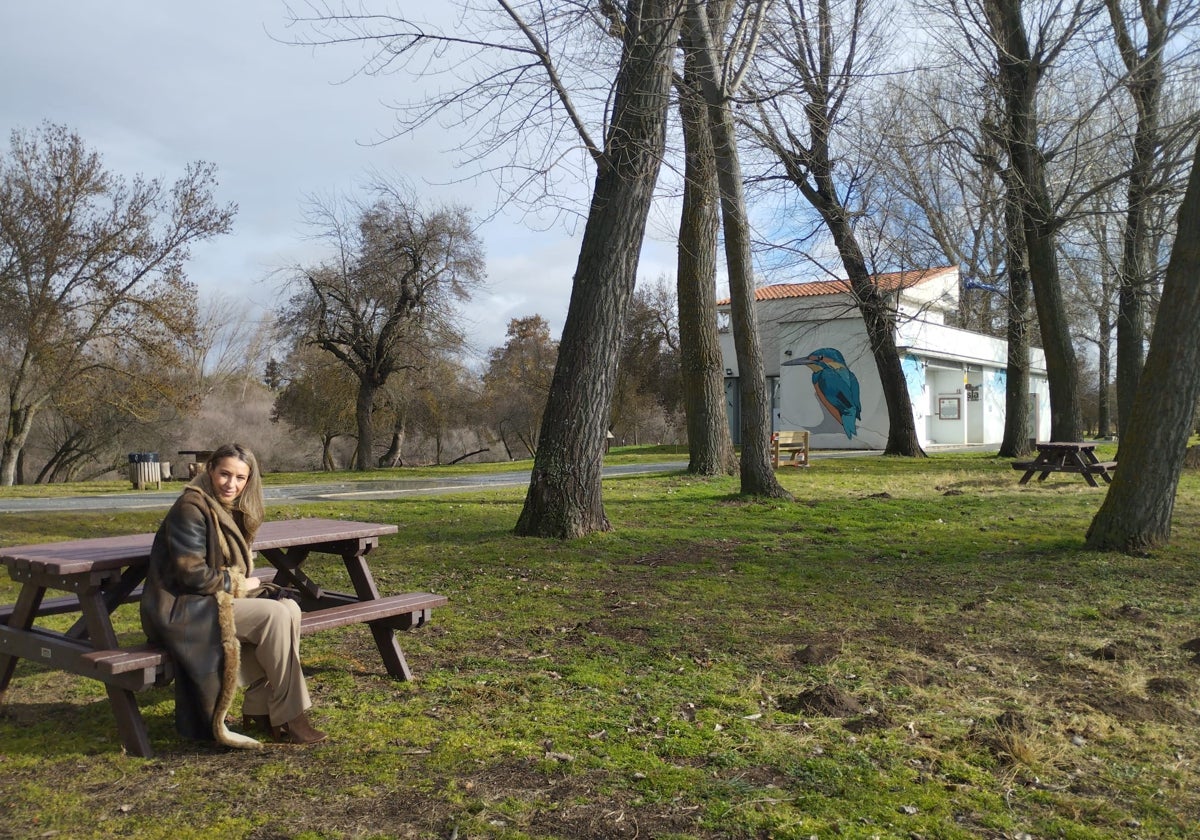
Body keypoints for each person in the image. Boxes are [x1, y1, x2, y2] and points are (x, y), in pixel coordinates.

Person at [140, 443, 327, 747]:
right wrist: (240, 584)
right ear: (210, 469)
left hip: (209, 599)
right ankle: (291, 716)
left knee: (289, 607)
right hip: (182, 608)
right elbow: (191, 574)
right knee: (275, 614)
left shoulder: (226, 508)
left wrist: (241, 585)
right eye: (225, 474)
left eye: (240, 478)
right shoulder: (191, 508)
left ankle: (258, 706)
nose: (231, 484)